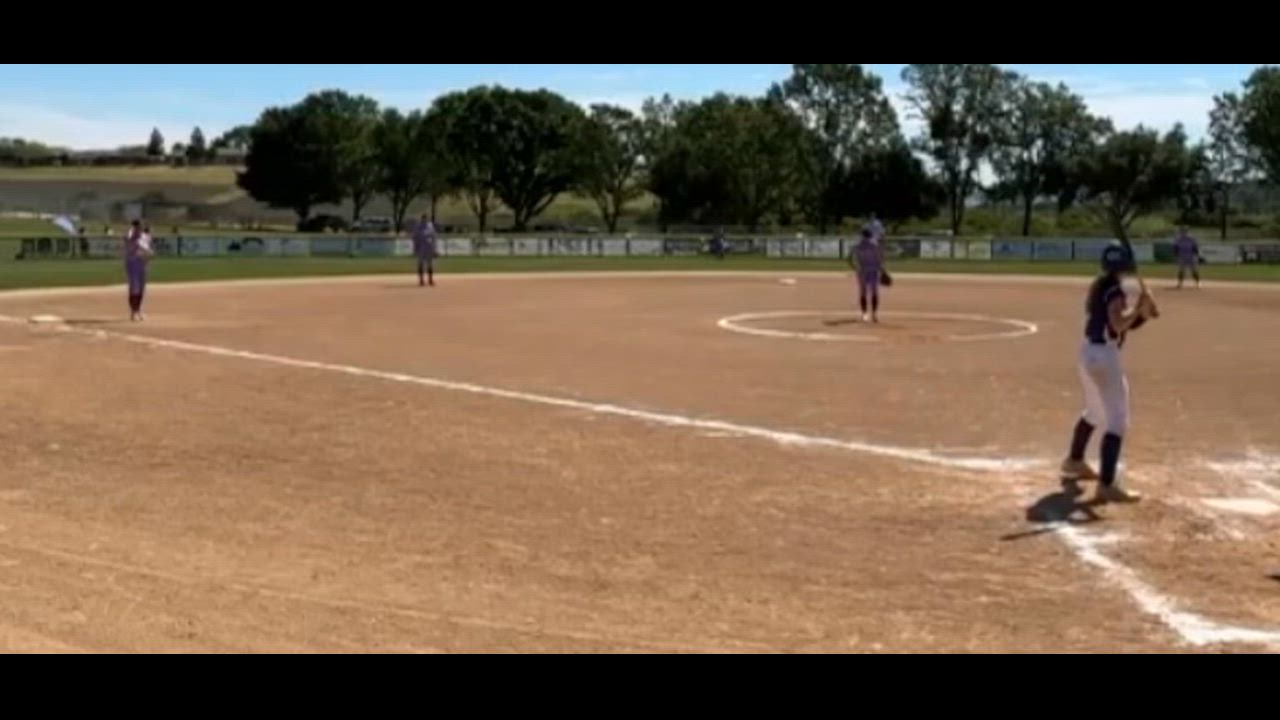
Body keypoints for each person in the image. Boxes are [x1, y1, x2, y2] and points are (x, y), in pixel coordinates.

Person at [1060, 242, 1159, 504]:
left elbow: (1119, 324)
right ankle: (1106, 485)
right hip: (1105, 357)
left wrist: (1142, 314)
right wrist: (1139, 309)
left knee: (1094, 412)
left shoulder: (1100, 286)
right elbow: (1117, 324)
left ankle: (1074, 461)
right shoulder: (1115, 290)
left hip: (1088, 354)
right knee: (1118, 421)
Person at [849, 228, 885, 323]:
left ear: (862, 235)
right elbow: (880, 259)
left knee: (863, 292)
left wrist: (855, 267)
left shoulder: (857, 245)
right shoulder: (875, 245)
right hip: (874, 271)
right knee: (874, 293)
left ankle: (864, 314)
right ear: (871, 235)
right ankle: (874, 314)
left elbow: (850, 258)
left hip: (862, 271)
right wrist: (883, 271)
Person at [123, 220, 154, 321]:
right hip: (133, 264)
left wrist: (148, 256)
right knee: (134, 288)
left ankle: (139, 309)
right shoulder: (131, 236)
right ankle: (133, 311)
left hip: (143, 264)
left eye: (141, 227)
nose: (140, 229)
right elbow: (128, 239)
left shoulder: (145, 237)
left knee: (141, 288)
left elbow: (148, 249)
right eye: (137, 227)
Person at [411, 214, 438, 287]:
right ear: (421, 219)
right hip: (421, 247)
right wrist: (415, 249)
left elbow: (434, 238)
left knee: (430, 264)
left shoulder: (430, 226)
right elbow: (415, 238)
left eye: (426, 219)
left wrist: (435, 249)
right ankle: (421, 280)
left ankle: (430, 280)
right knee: (420, 264)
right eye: (423, 219)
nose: (424, 220)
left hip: (429, 247)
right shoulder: (418, 227)